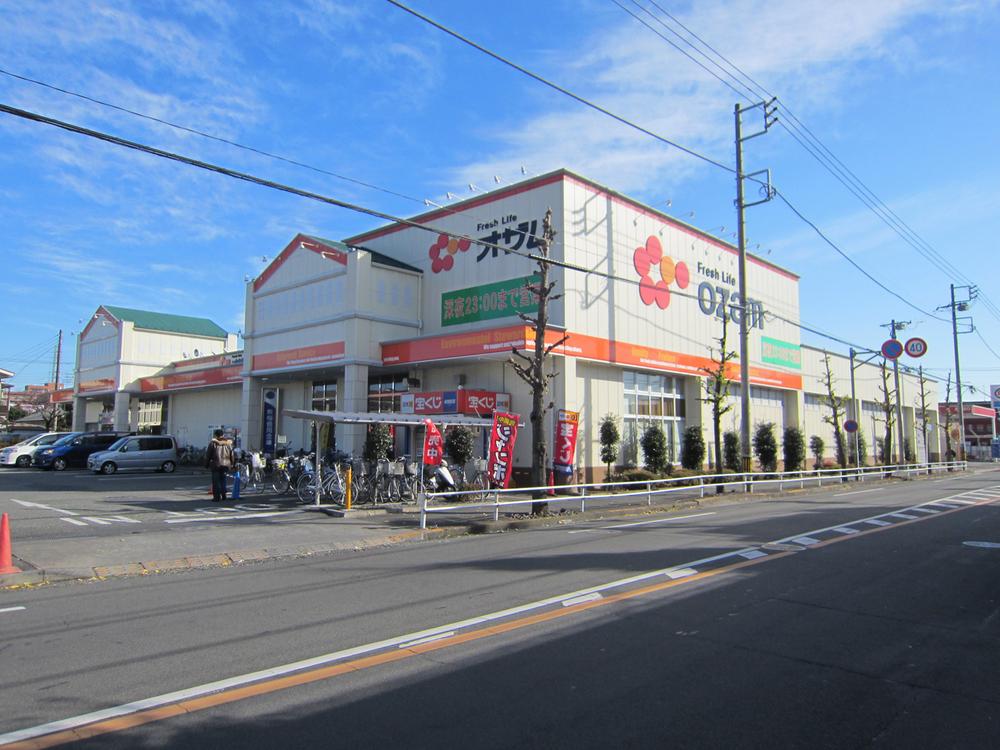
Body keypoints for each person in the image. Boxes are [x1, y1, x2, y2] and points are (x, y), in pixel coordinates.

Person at [206, 429, 235, 502]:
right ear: (223, 435)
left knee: (216, 481)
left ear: (216, 435)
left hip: (216, 465)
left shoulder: (213, 443)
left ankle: (217, 497)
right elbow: (232, 454)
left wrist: (206, 464)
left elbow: (208, 455)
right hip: (226, 465)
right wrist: (232, 464)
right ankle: (224, 496)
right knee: (223, 480)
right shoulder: (228, 444)